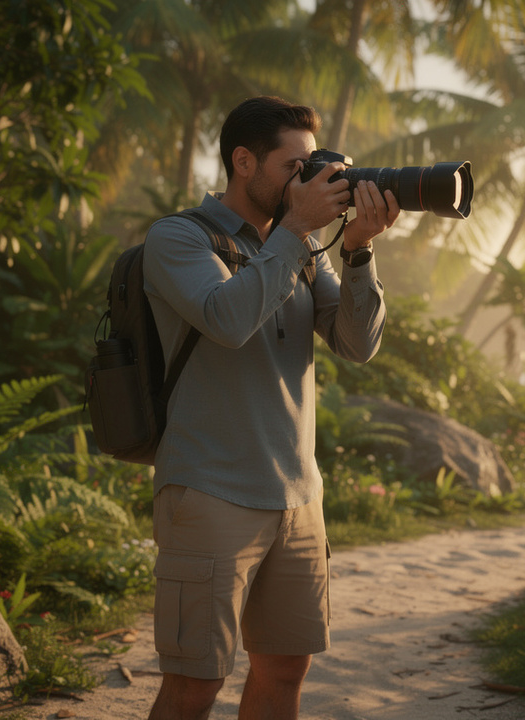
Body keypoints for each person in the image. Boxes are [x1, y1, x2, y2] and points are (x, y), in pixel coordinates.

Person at [141, 96, 399, 720]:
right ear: (244, 161)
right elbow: (226, 320)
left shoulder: (304, 250)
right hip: (209, 491)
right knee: (194, 683)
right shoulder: (179, 237)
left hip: (297, 497)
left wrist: (358, 252)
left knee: (285, 671)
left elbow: (355, 345)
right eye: (295, 167)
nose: (309, 181)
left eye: (314, 166)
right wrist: (295, 232)